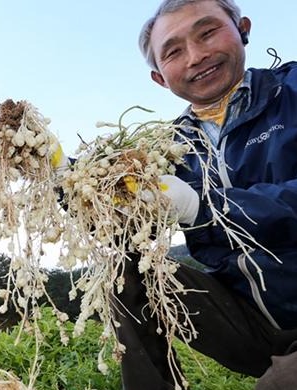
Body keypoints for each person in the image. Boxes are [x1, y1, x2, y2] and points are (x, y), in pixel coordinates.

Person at [115, 0, 297, 389]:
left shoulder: (291, 91)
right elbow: (114, 201)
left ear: (243, 28)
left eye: (208, 32)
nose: (197, 56)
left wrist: (205, 206)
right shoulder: (167, 147)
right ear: (161, 79)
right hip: (250, 321)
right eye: (174, 51)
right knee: (122, 271)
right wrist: (63, 173)